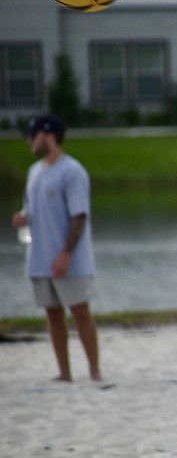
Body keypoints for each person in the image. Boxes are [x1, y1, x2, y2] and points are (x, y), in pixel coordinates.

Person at [10, 115, 101, 381]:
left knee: (80, 312)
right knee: (53, 314)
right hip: (40, 258)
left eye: (33, 135)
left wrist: (66, 254)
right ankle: (64, 372)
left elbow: (79, 216)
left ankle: (95, 371)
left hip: (70, 259)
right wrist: (23, 218)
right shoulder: (34, 172)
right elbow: (32, 208)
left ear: (48, 135)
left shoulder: (72, 171)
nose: (29, 140)